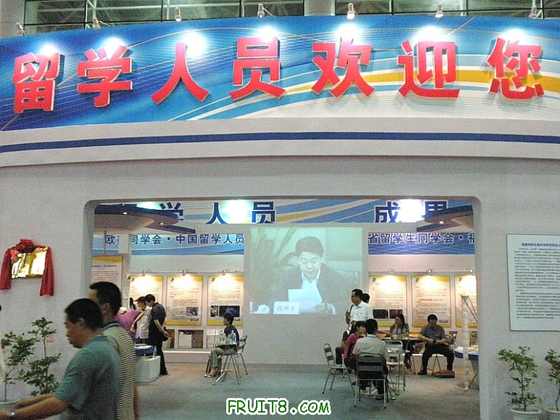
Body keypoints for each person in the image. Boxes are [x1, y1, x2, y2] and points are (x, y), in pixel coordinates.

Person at [0, 299, 120, 420]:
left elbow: (59, 403)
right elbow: (70, 393)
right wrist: (32, 401)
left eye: (68, 327)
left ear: (81, 323)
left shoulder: (89, 355)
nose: (67, 333)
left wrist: (12, 415)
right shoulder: (107, 347)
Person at [89, 282, 138, 420]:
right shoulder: (123, 335)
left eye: (91, 304)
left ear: (104, 308)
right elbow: (131, 384)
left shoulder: (106, 340)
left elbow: (101, 390)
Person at [273, 236, 347, 314]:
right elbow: (275, 299)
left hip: (322, 319)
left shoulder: (334, 277)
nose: (309, 266)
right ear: (298, 260)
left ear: (321, 259)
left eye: (314, 261)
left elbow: (347, 303)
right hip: (294, 319)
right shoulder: (288, 276)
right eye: (304, 261)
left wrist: (330, 307)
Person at [352, 319, 387, 398]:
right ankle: (381, 392)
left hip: (362, 372)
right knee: (382, 367)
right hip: (377, 373)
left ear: (366, 329)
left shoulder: (359, 341)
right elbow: (385, 358)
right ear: (376, 329)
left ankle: (363, 386)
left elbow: (354, 355)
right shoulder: (382, 343)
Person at [205, 312, 240, 377]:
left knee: (214, 351)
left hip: (231, 349)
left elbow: (229, 343)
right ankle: (217, 370)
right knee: (215, 351)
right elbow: (226, 342)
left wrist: (220, 345)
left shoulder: (230, 329)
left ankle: (214, 369)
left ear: (228, 321)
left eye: (224, 319)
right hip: (230, 348)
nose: (223, 320)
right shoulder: (229, 328)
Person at [145, 293, 169, 376]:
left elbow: (156, 322)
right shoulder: (161, 307)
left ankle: (150, 371)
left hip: (154, 333)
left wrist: (162, 331)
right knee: (159, 351)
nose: (147, 305)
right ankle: (163, 370)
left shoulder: (154, 309)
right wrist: (163, 331)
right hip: (159, 334)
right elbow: (164, 319)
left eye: (147, 303)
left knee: (149, 351)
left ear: (151, 301)